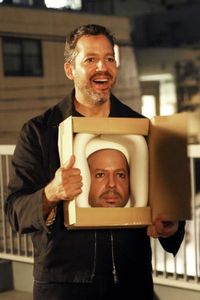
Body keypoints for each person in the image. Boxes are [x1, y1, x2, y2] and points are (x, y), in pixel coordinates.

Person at [5, 24, 185, 300]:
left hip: (131, 284)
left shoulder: (142, 128)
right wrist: (51, 193)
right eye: (90, 59)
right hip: (63, 285)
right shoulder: (39, 131)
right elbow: (15, 212)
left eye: (109, 58)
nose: (103, 67)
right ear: (70, 70)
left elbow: (168, 214)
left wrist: (170, 225)